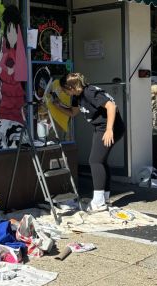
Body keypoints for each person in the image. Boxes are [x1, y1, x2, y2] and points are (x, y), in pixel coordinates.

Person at [52, 72, 126, 212]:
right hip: (101, 128)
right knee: (100, 161)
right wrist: (58, 105)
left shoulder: (89, 92)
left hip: (110, 128)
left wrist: (109, 130)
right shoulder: (76, 96)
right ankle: (104, 198)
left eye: (64, 89)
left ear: (72, 87)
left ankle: (98, 202)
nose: (64, 92)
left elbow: (111, 106)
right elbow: (73, 113)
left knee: (95, 161)